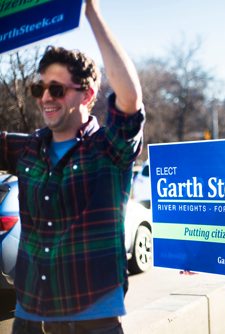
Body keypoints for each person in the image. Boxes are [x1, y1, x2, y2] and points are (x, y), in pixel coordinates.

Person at [0, 0, 144, 332]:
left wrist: (91, 10)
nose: (45, 97)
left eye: (57, 89)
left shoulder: (108, 148)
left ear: (87, 93)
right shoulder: (28, 148)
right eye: (40, 88)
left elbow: (131, 100)